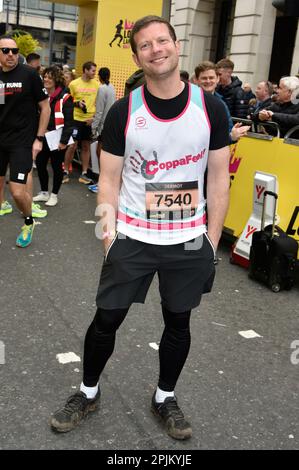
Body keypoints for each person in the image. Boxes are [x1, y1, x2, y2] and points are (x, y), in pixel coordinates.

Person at [50, 15, 230, 440]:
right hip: (132, 235)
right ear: (136, 55)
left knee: (178, 321)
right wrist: (107, 237)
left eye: (162, 41)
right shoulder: (124, 111)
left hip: (187, 238)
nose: (156, 49)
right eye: (145, 45)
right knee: (106, 319)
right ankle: (87, 391)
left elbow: (219, 176)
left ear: (176, 45)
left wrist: (213, 239)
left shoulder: (211, 108)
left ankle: (165, 397)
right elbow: (108, 179)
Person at [0, 35, 50, 247]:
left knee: (18, 192)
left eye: (14, 50)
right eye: (5, 51)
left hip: (22, 141)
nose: (11, 54)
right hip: (0, 140)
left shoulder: (29, 74)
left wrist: (39, 138)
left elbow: (45, 107)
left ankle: (28, 221)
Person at [33, 66, 74, 207]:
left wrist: (63, 142)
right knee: (40, 165)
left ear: (56, 79)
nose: (46, 79)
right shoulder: (41, 95)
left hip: (57, 139)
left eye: (50, 77)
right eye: (45, 76)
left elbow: (69, 122)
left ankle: (54, 195)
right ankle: (44, 192)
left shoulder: (65, 97)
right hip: (42, 137)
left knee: (57, 168)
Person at [62, 61, 99, 184]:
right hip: (75, 119)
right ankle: (65, 171)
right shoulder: (73, 84)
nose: (95, 73)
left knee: (86, 146)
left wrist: (94, 118)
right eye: (93, 70)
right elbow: (65, 101)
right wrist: (76, 103)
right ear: (85, 70)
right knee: (72, 146)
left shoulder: (97, 85)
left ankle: (84, 173)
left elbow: (98, 103)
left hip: (89, 120)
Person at [194, 61, 250, 142]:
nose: (208, 81)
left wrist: (232, 136)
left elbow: (228, 131)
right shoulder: (190, 100)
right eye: (204, 78)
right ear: (196, 80)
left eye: (211, 77)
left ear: (217, 79)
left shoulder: (221, 103)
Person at [89, 67, 116, 193]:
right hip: (111, 123)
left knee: (100, 154)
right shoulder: (111, 87)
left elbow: (99, 110)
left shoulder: (101, 88)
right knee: (102, 153)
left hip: (103, 126)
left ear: (99, 76)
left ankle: (102, 183)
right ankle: (103, 182)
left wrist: (94, 127)